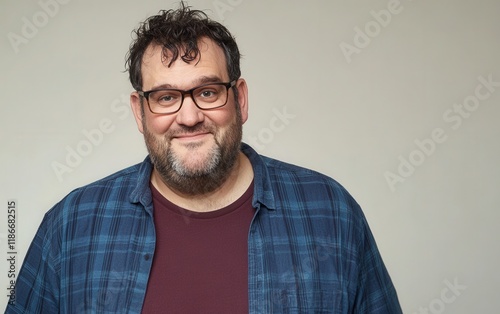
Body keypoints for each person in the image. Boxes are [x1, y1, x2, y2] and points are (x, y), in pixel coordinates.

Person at [6, 2, 402, 313]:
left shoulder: (331, 213)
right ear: (139, 112)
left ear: (240, 99)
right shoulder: (72, 226)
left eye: (208, 92)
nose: (190, 116)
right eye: (165, 98)